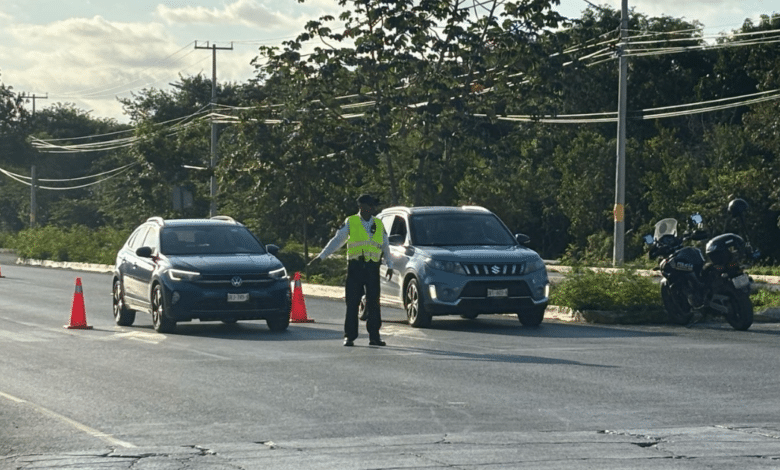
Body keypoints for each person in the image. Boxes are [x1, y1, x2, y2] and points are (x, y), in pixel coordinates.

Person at [309, 194, 393, 347]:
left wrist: (390, 264)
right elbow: (337, 240)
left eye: (374, 206)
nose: (373, 209)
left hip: (372, 268)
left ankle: (374, 336)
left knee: (373, 303)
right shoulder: (351, 222)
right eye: (370, 206)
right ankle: (350, 336)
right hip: (355, 268)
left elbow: (385, 245)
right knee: (352, 303)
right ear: (362, 207)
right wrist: (321, 257)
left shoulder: (378, 224)